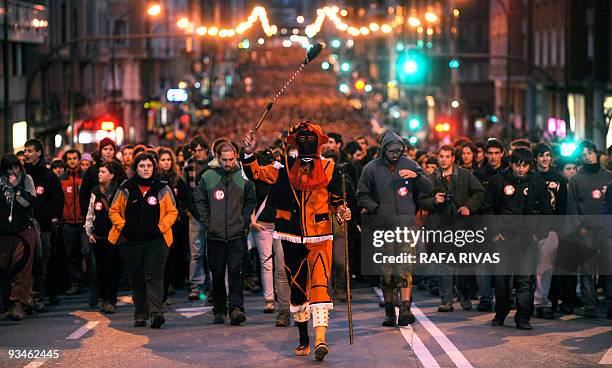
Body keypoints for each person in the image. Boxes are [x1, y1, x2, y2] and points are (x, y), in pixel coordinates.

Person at [242, 122, 351, 361]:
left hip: (321, 235)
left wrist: (342, 210)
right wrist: (249, 152)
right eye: (302, 139)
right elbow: (255, 172)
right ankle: (304, 340)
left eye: (310, 138)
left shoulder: (330, 168)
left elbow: (336, 200)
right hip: (291, 236)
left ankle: (321, 339)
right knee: (298, 287)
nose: (306, 142)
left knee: (320, 284)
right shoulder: (282, 168)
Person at [356, 131, 432, 327]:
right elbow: (361, 195)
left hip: (405, 226)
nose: (396, 155)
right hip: (383, 228)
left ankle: (406, 309)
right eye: (392, 151)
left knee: (405, 268)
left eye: (399, 151)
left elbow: (428, 187)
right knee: (387, 272)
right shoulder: (371, 168)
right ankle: (390, 311)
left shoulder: (410, 164)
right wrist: (377, 208)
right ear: (383, 150)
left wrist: (416, 176)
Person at [482, 147, 553, 330]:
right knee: (501, 280)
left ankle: (523, 317)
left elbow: (546, 209)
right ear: (511, 164)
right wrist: (495, 232)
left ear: (530, 165)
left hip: (527, 239)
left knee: (525, 280)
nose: (521, 169)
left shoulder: (537, 181)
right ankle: (501, 312)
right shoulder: (498, 180)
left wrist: (540, 233)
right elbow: (488, 208)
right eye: (518, 165)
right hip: (503, 239)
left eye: (525, 166)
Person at [108, 152, 178, 328]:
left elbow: (172, 212)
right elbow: (113, 211)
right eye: (142, 166)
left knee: (154, 276)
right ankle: (140, 313)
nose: (146, 169)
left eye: (149, 166)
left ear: (154, 167)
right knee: (136, 276)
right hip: (131, 241)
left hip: (157, 240)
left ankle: (156, 313)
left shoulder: (162, 188)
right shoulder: (126, 187)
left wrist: (160, 227)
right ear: (136, 168)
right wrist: (123, 227)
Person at [196, 142, 256, 325]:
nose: (228, 163)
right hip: (215, 235)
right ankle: (219, 308)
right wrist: (208, 223)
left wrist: (244, 223)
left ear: (236, 156)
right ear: (217, 157)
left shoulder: (244, 177)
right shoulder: (208, 176)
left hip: (237, 234)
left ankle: (236, 308)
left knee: (235, 271)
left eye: (231, 159)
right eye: (224, 160)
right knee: (218, 272)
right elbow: (200, 201)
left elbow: (250, 202)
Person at [418, 145, 484, 312]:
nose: (444, 159)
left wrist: (468, 206)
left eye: (447, 156)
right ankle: (447, 300)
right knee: (443, 265)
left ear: (453, 158)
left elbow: (479, 192)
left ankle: (464, 294)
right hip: (441, 226)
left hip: (461, 225)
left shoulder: (464, 175)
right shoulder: (431, 178)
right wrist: (434, 200)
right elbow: (421, 200)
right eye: (441, 156)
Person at [564, 140, 612, 318]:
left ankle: (610, 304)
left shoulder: (608, 176)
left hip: (607, 231)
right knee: (587, 270)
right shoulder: (577, 179)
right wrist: (579, 228)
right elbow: (573, 206)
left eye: (590, 152)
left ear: (596, 154)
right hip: (586, 231)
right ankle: (589, 304)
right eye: (584, 154)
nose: (587, 156)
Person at [24, 139, 64, 312]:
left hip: (44, 227)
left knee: (41, 263)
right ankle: (24, 298)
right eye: (25, 151)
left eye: (30, 151)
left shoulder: (49, 177)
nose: (27, 154)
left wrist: (53, 218)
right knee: (24, 264)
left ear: (39, 152)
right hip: (23, 227)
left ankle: (39, 297)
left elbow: (57, 201)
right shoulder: (22, 175)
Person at [532, 143, 567, 319]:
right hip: (530, 228)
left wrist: (557, 230)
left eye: (547, 155)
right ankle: (526, 301)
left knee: (545, 268)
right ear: (535, 158)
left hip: (551, 228)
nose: (544, 158)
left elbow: (562, 208)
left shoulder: (559, 180)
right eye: (541, 155)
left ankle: (541, 302)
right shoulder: (530, 177)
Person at [157, 147, 197, 302]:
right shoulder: (155, 179)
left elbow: (187, 200)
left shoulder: (178, 179)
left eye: (168, 160)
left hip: (176, 223)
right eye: (163, 160)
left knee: (174, 254)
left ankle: (173, 283)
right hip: (159, 224)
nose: (166, 163)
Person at [0, 154, 37, 321]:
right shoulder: (0, 182)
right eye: (9, 168)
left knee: (21, 267)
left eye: (15, 167)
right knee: (5, 268)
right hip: (4, 232)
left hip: (23, 230)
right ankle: (6, 304)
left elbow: (29, 203)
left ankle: (18, 304)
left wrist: (16, 189)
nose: (13, 171)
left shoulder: (26, 179)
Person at [85, 161, 123, 314]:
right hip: (98, 237)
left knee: (112, 269)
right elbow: (90, 212)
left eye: (103, 171)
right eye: (99, 171)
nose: (99, 174)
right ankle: (102, 298)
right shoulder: (95, 192)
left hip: (115, 237)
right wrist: (89, 231)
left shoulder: (119, 191)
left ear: (112, 175)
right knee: (99, 269)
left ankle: (111, 300)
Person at [183, 136, 212, 301]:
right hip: (195, 214)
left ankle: (212, 284)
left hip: (213, 214)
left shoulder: (214, 165)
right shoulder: (189, 165)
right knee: (196, 252)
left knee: (212, 252)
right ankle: (196, 286)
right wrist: (189, 210)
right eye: (195, 150)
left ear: (206, 150)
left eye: (200, 149)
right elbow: (186, 190)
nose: (197, 153)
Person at [60, 149, 89, 297]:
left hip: (84, 223)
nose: (72, 161)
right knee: (71, 255)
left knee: (87, 252)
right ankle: (75, 283)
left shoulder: (85, 178)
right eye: (69, 158)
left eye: (75, 158)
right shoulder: (61, 179)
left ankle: (90, 282)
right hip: (68, 222)